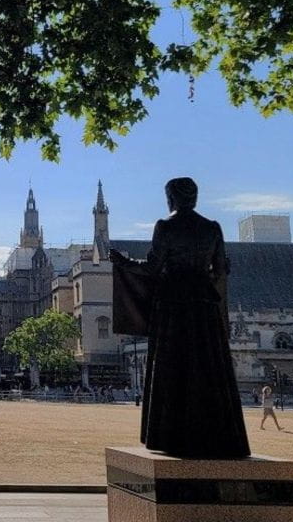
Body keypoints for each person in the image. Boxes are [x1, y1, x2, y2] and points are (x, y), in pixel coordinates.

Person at [110, 177, 250, 458]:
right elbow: (221, 270)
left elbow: (152, 267)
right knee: (209, 366)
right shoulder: (212, 228)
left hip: (173, 302)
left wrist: (124, 263)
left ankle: (171, 433)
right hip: (203, 305)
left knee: (172, 366)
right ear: (194, 199)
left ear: (171, 198)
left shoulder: (166, 226)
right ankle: (217, 434)